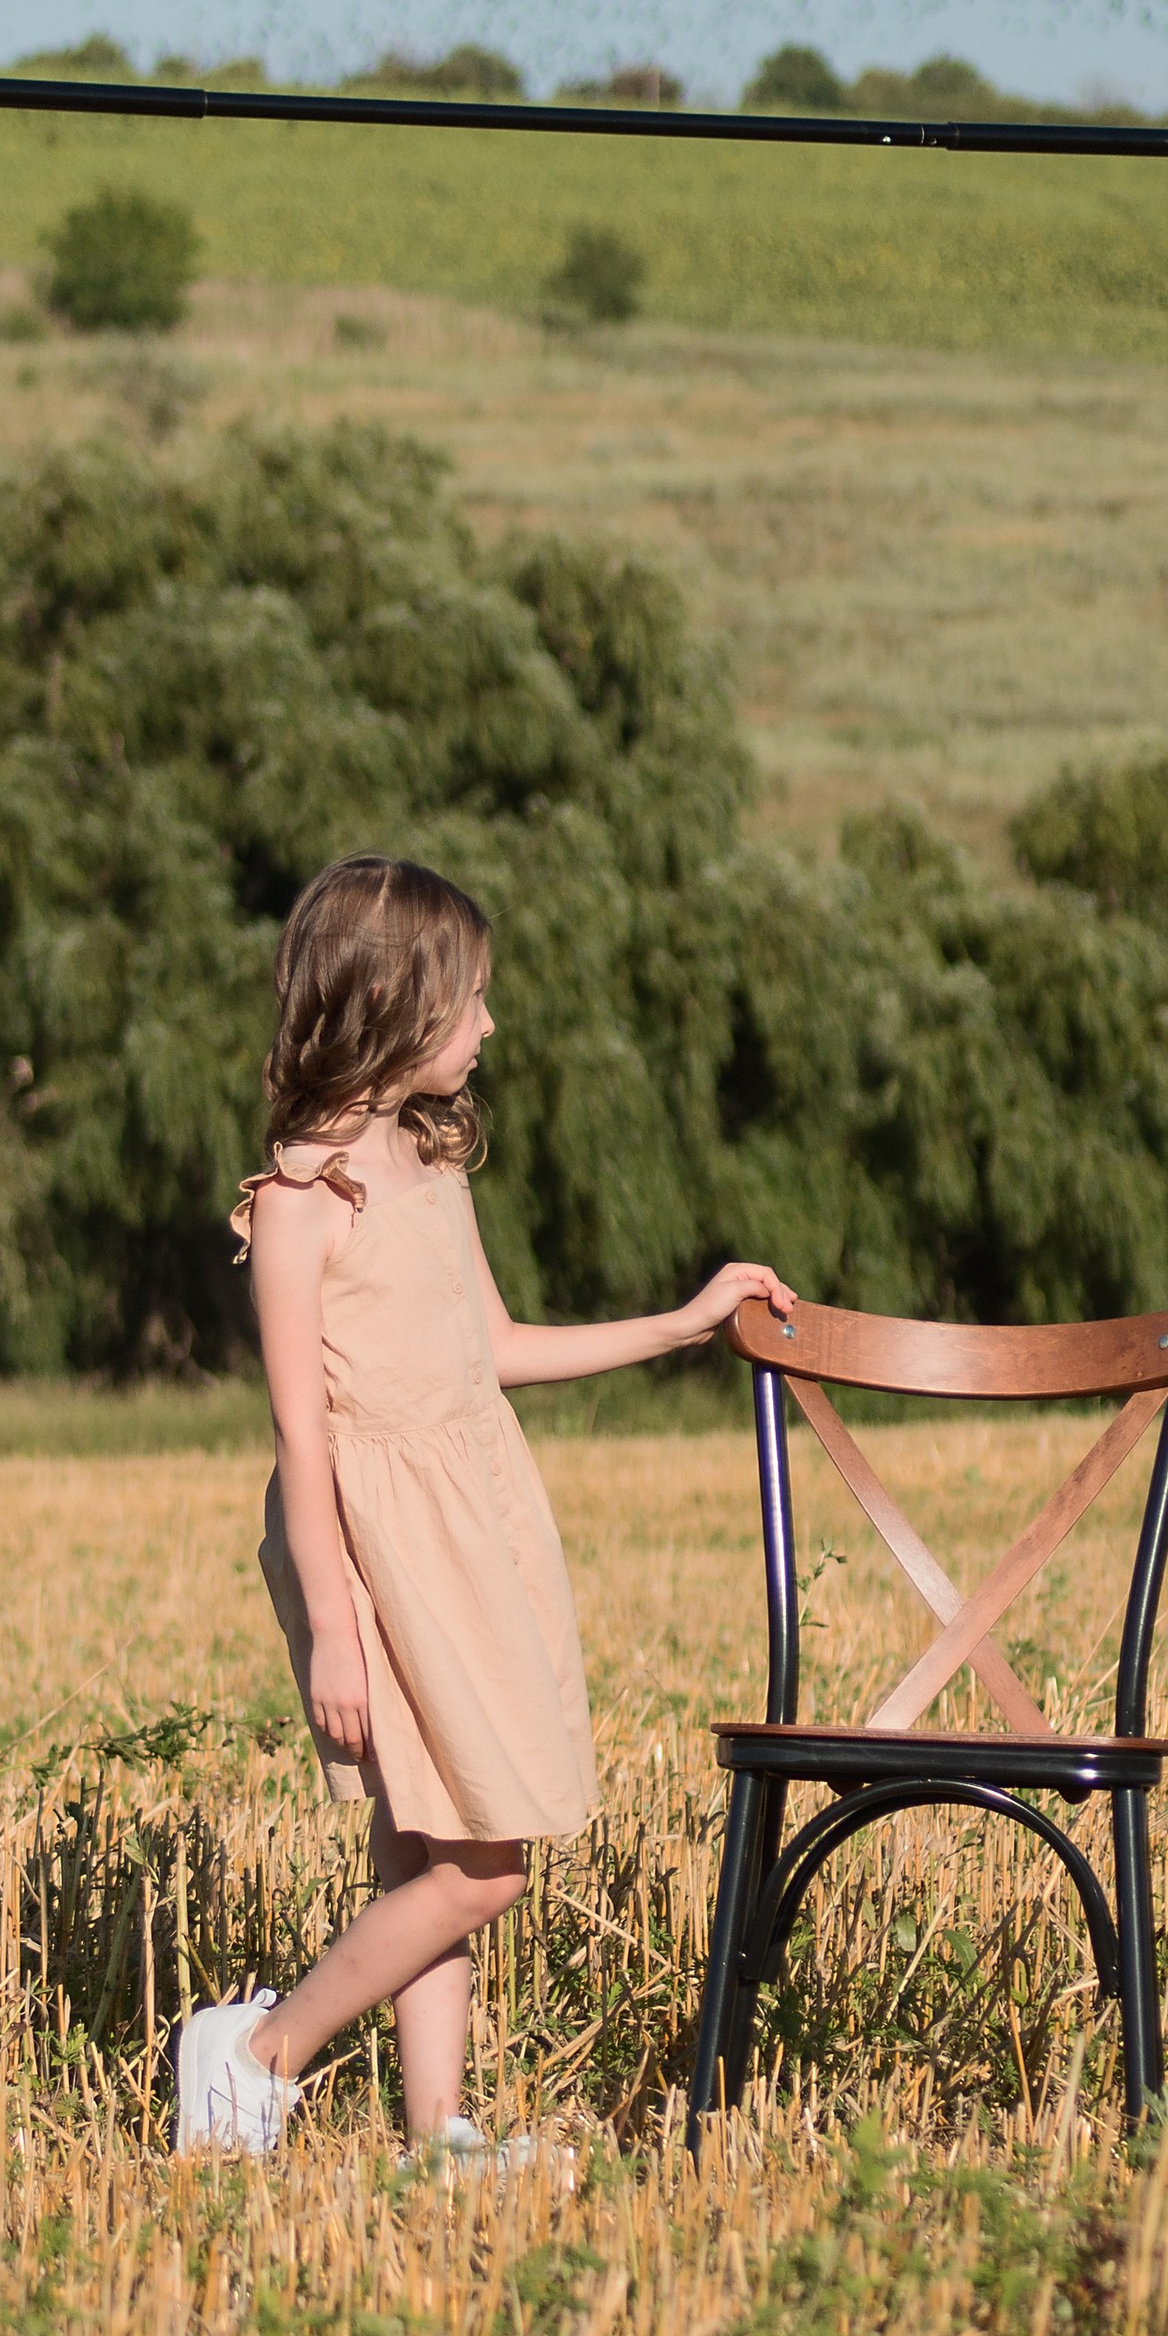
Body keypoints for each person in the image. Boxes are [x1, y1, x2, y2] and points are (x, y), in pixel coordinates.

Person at [176, 852, 794, 2168]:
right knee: (487, 1863)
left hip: (470, 1525)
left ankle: (438, 2132)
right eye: (471, 1005)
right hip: (372, 1551)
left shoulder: (429, 1165)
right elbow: (301, 1434)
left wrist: (684, 1323)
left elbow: (491, 1350)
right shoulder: (300, 1205)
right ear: (394, 1003)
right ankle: (260, 2055)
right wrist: (337, 1631)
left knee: (431, 1855)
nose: (490, 1029)